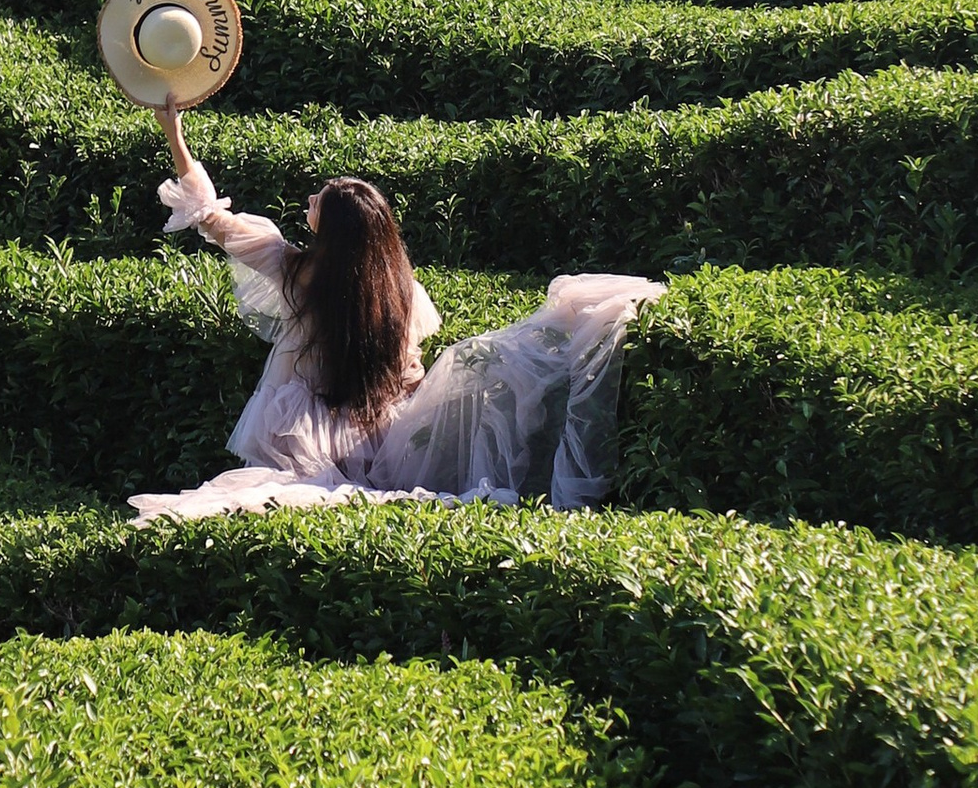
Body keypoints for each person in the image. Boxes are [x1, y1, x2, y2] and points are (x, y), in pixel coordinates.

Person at [130, 98, 663, 523]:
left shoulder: (294, 268)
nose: (308, 203)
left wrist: (172, 130)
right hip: (377, 428)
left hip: (299, 420)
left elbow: (209, 215)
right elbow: (410, 370)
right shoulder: (399, 288)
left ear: (331, 227)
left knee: (283, 504)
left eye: (317, 201)